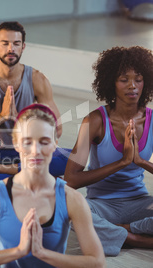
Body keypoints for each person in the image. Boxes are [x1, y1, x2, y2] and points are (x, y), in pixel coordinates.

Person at [0, 104, 105, 268]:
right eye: (28, 142)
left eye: (44, 142)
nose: (35, 151)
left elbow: (97, 262)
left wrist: (42, 254)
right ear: (16, 143)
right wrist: (18, 251)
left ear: (55, 144)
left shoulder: (72, 199)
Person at [64, 46, 153, 256]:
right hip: (100, 207)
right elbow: (71, 179)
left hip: (139, 205)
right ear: (111, 83)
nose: (132, 86)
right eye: (124, 79)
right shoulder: (94, 121)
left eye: (138, 79)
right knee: (66, 207)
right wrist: (122, 162)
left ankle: (124, 232)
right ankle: (137, 240)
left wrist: (140, 161)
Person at [0, 21, 69, 188]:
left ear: (23, 47)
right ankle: (24, 177)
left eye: (16, 43)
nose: (10, 48)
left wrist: (23, 120)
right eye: (5, 43)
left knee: (70, 158)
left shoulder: (37, 79)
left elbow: (57, 129)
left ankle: (11, 177)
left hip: (28, 152)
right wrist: (1, 117)